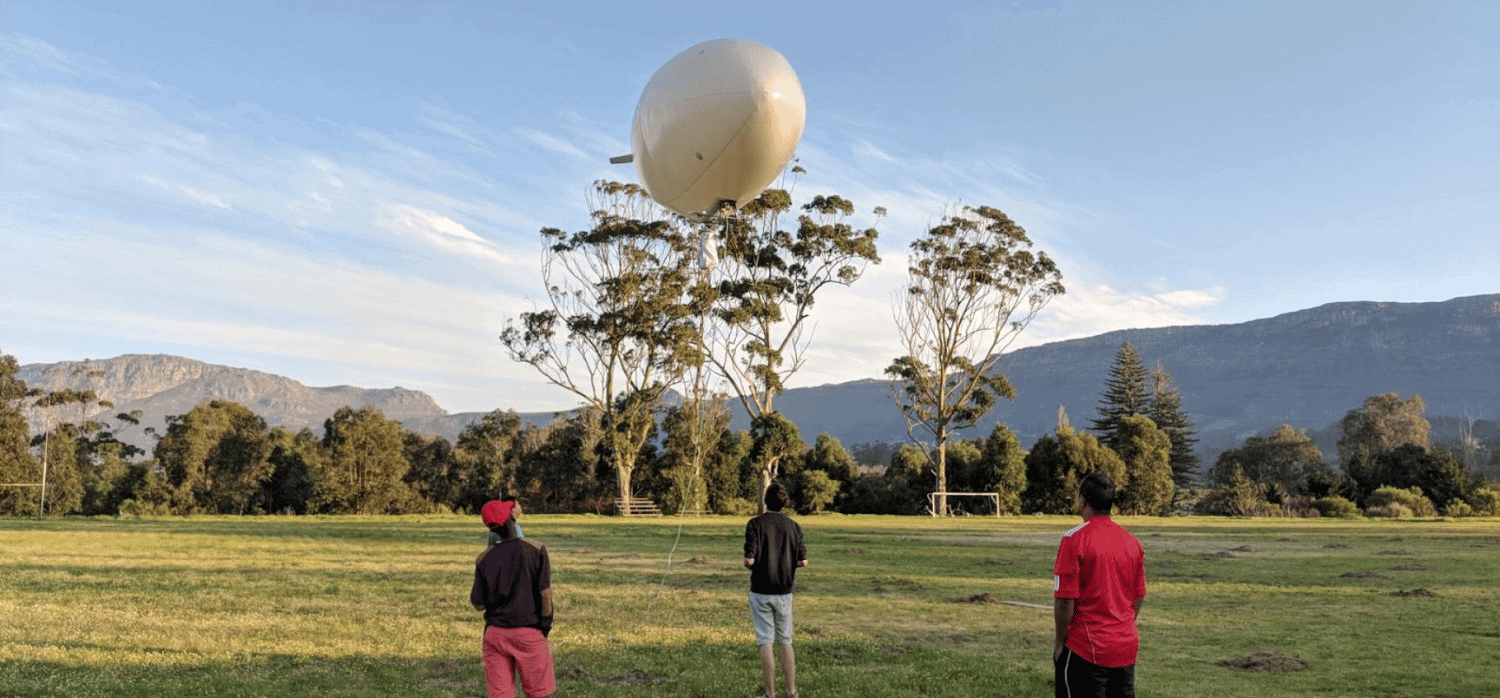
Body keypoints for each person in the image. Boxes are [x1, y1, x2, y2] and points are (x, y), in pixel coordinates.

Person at [1052, 472, 1147, 698]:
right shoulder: (1131, 541)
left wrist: (1059, 644)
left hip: (1086, 649)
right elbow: (1139, 595)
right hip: (1125, 647)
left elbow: (1065, 600)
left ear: (1082, 500)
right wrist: (1118, 626)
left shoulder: (1073, 539)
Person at [471, 499, 555, 698]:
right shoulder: (536, 549)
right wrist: (545, 626)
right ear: (512, 519)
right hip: (529, 632)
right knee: (537, 693)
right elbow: (545, 594)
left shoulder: (483, 558)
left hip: (495, 635)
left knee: (501, 694)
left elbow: (478, 604)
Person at [743, 482, 808, 698]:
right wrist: (787, 563)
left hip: (761, 591)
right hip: (784, 592)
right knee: (785, 641)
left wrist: (754, 562)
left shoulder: (754, 524)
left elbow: (749, 559)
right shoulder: (794, 526)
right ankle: (791, 692)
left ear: (765, 501)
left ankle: (770, 694)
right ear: (784, 502)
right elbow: (804, 561)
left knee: (765, 641)